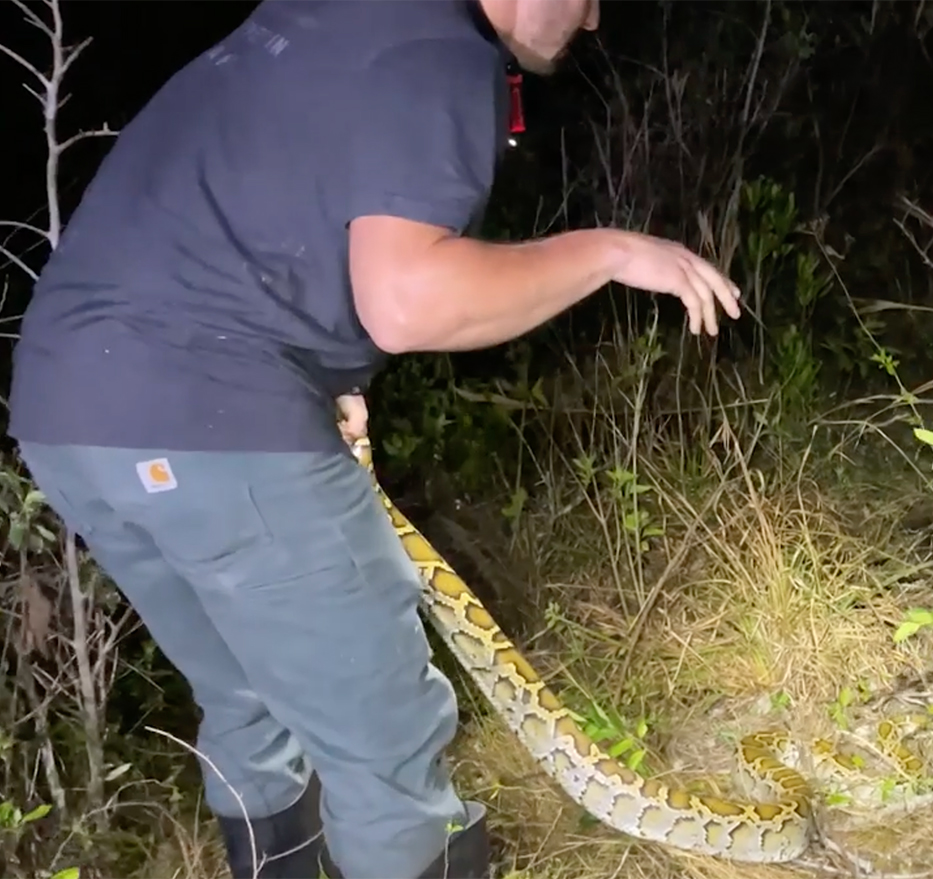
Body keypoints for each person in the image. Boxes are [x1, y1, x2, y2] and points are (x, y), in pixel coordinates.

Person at [7, 0, 741, 876]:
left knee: (251, 697)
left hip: (69, 414)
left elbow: (252, 208)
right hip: (210, 408)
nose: (590, 22)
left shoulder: (333, 16)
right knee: (386, 739)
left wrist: (317, 377)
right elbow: (409, 301)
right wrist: (610, 253)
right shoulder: (438, 49)